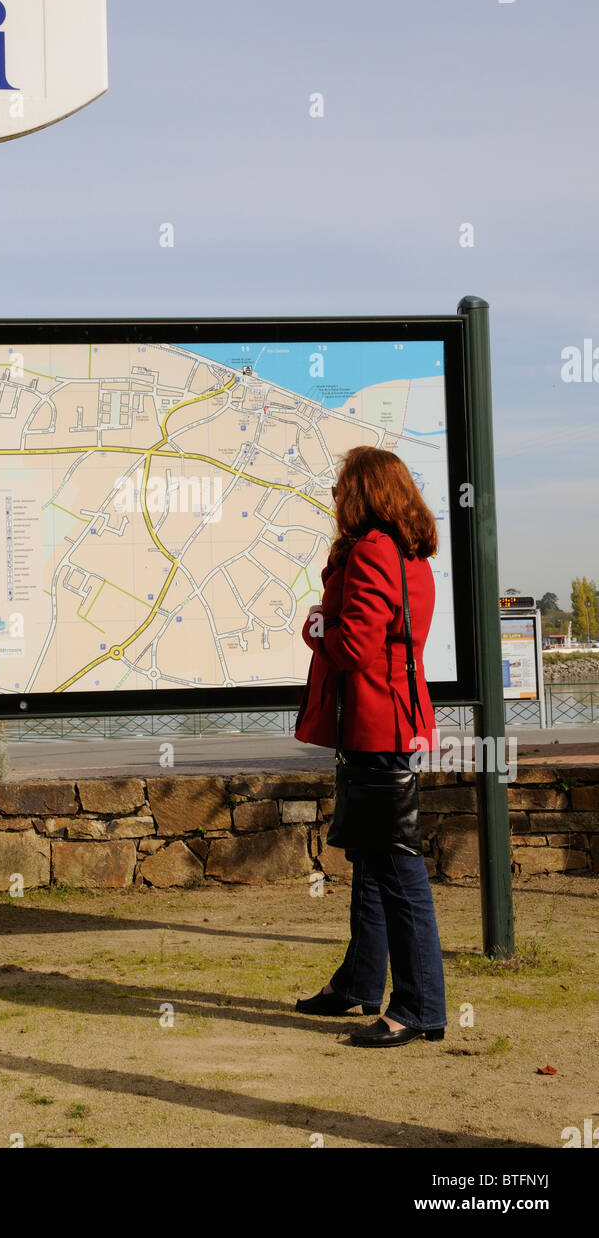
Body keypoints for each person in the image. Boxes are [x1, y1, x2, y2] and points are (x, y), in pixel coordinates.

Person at [293, 445, 446, 1048]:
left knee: (395, 864)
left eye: (340, 486)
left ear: (364, 492)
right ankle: (359, 983)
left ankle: (418, 1007)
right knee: (371, 859)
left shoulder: (375, 551)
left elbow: (354, 647)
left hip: (378, 727)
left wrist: (316, 628)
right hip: (386, 723)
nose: (334, 496)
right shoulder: (402, 552)